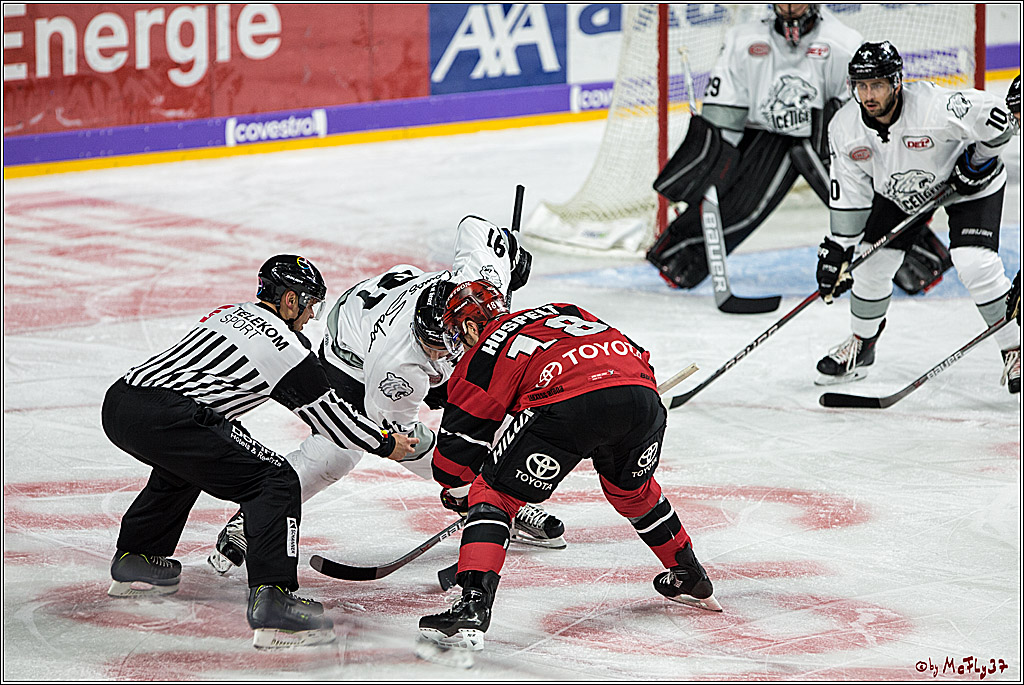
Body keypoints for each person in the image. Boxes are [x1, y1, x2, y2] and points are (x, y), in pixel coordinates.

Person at [208, 216, 566, 576]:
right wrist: (462, 484)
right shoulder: (397, 365)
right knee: (337, 452)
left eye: (447, 345)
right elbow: (401, 441)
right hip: (353, 356)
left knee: (501, 406)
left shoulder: (480, 284)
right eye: (432, 348)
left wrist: (508, 252)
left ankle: (500, 496)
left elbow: (473, 227)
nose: (440, 355)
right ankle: (252, 518)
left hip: (395, 299)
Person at [101, 255, 417, 649]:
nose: (311, 317)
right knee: (277, 481)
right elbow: (331, 420)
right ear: (290, 300)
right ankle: (274, 602)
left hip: (122, 402)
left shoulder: (229, 312)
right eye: (310, 305)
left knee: (185, 465)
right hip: (173, 415)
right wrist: (386, 442)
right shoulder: (286, 347)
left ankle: (137, 558)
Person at [418, 280, 720, 654]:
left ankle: (472, 606)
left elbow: (451, 462)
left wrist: (461, 495)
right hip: (640, 392)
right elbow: (633, 351)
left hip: (570, 404)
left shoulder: (483, 351)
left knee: (493, 494)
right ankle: (690, 575)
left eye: (456, 332)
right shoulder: (564, 309)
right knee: (633, 492)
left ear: (468, 325)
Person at [646, 6, 950, 297]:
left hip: (829, 139)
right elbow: (725, 118)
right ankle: (679, 254)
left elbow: (864, 121)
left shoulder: (843, 43)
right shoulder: (744, 41)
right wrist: (714, 164)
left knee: (859, 201)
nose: (790, 7)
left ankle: (919, 259)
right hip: (767, 138)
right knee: (740, 203)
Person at [815, 42, 1019, 394]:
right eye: (861, 86)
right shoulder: (844, 128)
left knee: (974, 263)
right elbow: (850, 194)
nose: (868, 95)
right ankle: (862, 345)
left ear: (897, 83)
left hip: (966, 185)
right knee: (869, 266)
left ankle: (1015, 348)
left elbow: (1002, 123)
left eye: (877, 85)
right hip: (902, 193)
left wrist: (978, 162)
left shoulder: (935, 107)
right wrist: (838, 248)